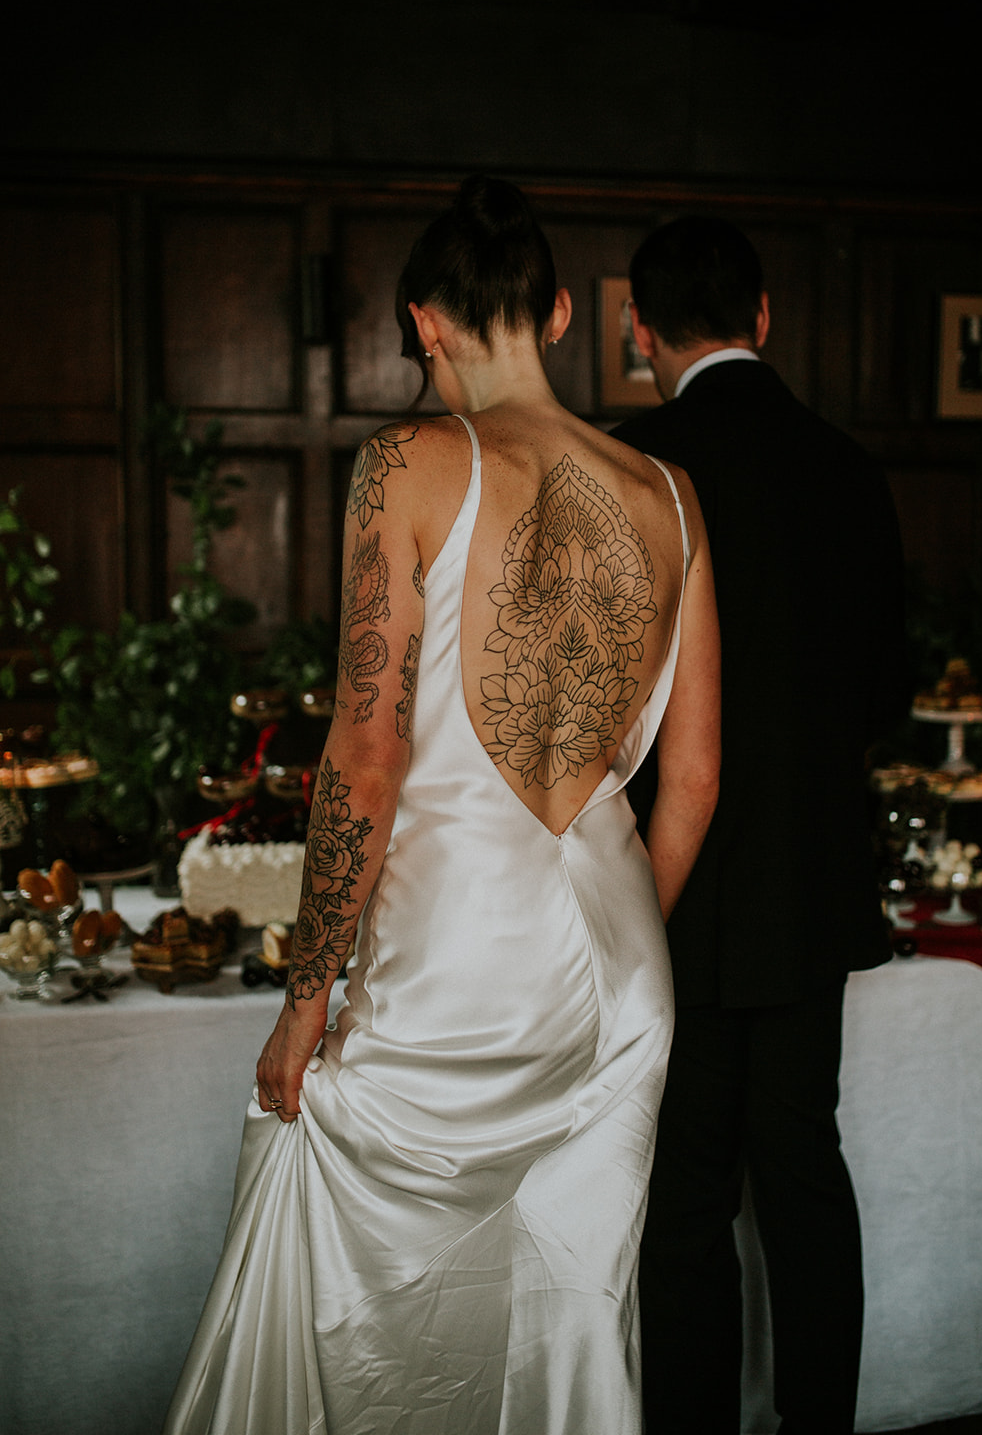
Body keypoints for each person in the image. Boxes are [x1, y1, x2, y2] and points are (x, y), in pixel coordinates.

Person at [164, 177, 720, 1435]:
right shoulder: (670, 495)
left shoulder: (405, 463)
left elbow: (365, 759)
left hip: (462, 962)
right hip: (625, 969)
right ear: (564, 311)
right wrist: (612, 955)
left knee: (358, 1285)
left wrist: (306, 1000)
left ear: (422, 323)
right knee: (572, 1312)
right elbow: (690, 782)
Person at [618, 216, 905, 1435]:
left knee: (682, 1202)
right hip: (802, 884)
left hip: (664, 889)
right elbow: (886, 697)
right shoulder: (846, 467)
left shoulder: (626, 467)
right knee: (801, 1173)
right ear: (765, 314)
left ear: (639, 333)